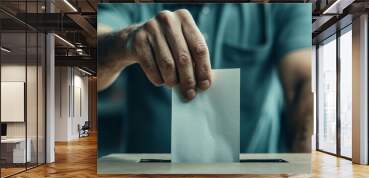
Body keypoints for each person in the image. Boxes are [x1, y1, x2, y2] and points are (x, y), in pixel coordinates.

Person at [97, 3, 312, 157]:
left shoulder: (279, 6)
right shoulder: (133, 5)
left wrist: (301, 166)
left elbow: (303, 83)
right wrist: (127, 41)